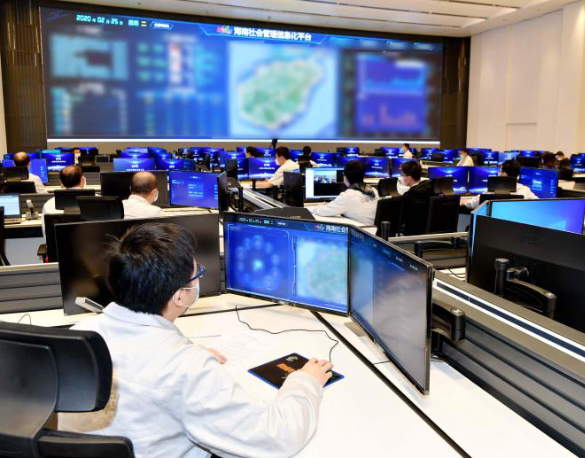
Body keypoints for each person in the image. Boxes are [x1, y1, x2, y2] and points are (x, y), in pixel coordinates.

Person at [58, 222, 332, 456]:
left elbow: (142, 364)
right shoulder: (188, 369)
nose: (199, 276)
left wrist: (186, 354)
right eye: (196, 272)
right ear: (180, 295)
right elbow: (277, 437)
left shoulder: (81, 333)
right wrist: (304, 381)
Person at [312, 160, 378, 225]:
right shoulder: (374, 191)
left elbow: (323, 211)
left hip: (361, 230)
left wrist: (315, 209)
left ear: (345, 177)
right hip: (372, 229)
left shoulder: (348, 195)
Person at [461, 160, 538, 209]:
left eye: (500, 171)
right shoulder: (525, 190)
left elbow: (470, 204)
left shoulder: (492, 190)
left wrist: (462, 201)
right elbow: (538, 203)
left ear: (504, 174)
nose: (498, 173)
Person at [41, 165, 85, 237]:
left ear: (61, 182)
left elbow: (47, 235)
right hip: (93, 243)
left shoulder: (49, 205)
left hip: (60, 244)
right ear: (82, 179)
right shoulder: (99, 200)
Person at [399, 161, 434, 235]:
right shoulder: (430, 188)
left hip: (411, 235)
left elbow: (401, 220)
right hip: (427, 233)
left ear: (409, 178)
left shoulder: (408, 196)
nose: (401, 178)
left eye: (403, 175)